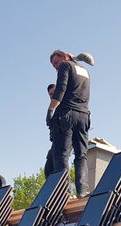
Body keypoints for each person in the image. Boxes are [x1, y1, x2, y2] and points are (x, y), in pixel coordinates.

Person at [46, 50, 94, 198]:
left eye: (56, 62)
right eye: (54, 65)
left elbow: (60, 89)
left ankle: (64, 192)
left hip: (67, 115)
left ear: (65, 57)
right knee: (81, 154)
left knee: (61, 155)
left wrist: (51, 109)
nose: (56, 66)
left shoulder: (65, 66)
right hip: (83, 115)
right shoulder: (84, 71)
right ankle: (82, 190)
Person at [43, 83, 55, 177]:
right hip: (56, 141)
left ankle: (65, 190)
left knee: (61, 164)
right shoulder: (53, 109)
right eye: (50, 94)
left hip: (66, 139)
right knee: (48, 169)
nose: (52, 95)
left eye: (54, 92)